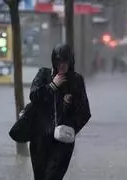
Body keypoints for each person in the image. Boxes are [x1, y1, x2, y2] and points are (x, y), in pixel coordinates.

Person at [29, 44, 91, 180]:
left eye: (65, 62)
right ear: (54, 62)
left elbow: (85, 112)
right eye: (58, 62)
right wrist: (52, 86)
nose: (62, 65)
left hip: (63, 141)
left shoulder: (76, 81)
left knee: (53, 177)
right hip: (40, 139)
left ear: (71, 62)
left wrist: (70, 128)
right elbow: (34, 97)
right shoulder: (43, 75)